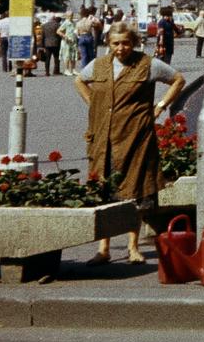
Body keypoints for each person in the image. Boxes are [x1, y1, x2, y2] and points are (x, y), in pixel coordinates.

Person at [73, 21, 186, 265]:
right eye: (116, 43)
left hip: (135, 137)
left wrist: (160, 107)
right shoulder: (100, 65)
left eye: (126, 43)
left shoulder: (147, 64)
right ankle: (104, 249)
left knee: (134, 191)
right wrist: (94, 103)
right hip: (103, 139)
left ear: (134, 42)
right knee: (104, 190)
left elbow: (178, 80)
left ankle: (133, 247)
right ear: (109, 44)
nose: (121, 48)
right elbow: (79, 80)